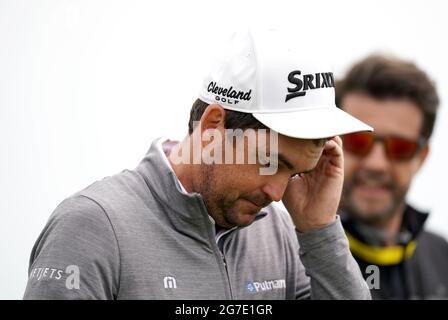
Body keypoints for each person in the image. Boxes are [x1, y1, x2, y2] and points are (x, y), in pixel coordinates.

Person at [23, 30, 372, 299]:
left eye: (295, 173)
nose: (278, 194)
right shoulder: (92, 226)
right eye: (269, 161)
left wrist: (319, 230)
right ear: (212, 127)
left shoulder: (277, 232)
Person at [336, 54, 448, 299]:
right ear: (331, 143)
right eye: (357, 141)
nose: (376, 164)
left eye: (400, 147)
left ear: (422, 156)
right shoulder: (289, 256)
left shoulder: (442, 255)